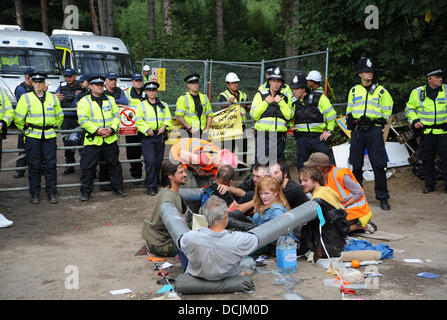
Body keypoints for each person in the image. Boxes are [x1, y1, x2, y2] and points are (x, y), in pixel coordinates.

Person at [346, 57, 393, 210]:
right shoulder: (354, 90)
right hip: (358, 131)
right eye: (366, 71)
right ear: (360, 74)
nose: (369, 74)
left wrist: (380, 121)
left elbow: (388, 109)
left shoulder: (381, 91)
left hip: (374, 131)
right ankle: (357, 195)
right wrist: (351, 120)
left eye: (371, 71)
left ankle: (382, 196)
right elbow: (349, 109)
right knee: (356, 165)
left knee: (378, 164)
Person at [179, 195, 259, 281]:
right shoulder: (239, 239)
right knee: (248, 261)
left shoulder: (190, 237)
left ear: (205, 217)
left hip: (199, 277)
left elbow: (181, 243)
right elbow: (256, 239)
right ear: (226, 215)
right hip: (228, 277)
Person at [13, 72, 64, 204]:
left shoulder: (52, 98)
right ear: (32, 83)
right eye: (35, 82)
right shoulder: (26, 98)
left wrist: (55, 128)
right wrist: (25, 130)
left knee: (50, 165)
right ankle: (34, 193)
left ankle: (52, 193)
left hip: (49, 136)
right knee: (34, 166)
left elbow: (59, 115)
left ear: (44, 83)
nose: (38, 84)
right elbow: (18, 117)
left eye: (40, 82)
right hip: (33, 137)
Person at [76, 74, 127, 201]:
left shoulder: (110, 99)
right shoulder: (84, 101)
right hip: (93, 140)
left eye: (101, 85)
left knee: (114, 165)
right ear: (91, 86)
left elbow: (117, 116)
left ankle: (118, 188)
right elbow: (83, 120)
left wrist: (112, 129)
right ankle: (86, 192)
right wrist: (97, 130)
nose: (99, 87)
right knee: (88, 167)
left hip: (110, 138)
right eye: (97, 85)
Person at [304, 152, 377, 234]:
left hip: (355, 210)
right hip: (339, 209)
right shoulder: (319, 176)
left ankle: (361, 225)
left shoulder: (340, 174)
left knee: (335, 231)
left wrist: (344, 206)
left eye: (311, 167)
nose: (309, 169)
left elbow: (359, 193)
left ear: (319, 167)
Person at [405, 67, 447, 194]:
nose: (441, 79)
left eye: (441, 77)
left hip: (444, 132)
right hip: (426, 133)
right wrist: (415, 120)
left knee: (446, 160)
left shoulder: (446, 90)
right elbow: (409, 109)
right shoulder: (417, 92)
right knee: (427, 160)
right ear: (430, 79)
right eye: (437, 77)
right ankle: (429, 184)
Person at [142, 161, 189, 267]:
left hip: (157, 238)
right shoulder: (167, 198)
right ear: (171, 176)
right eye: (181, 172)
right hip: (160, 243)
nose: (185, 174)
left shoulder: (169, 190)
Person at [290, 74, 336, 170]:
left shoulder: (319, 97)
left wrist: (329, 131)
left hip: (317, 137)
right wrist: (291, 126)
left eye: (296, 89)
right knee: (301, 166)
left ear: (304, 88)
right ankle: (304, 184)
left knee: (327, 162)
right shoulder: (293, 101)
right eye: (293, 89)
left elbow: (331, 114)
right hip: (302, 138)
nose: (294, 91)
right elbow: (288, 115)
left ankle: (331, 183)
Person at [135, 81, 172, 196]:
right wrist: (146, 129)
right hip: (148, 138)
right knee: (150, 161)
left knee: (157, 162)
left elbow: (168, 118)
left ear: (156, 92)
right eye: (149, 90)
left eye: (154, 90)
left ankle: (155, 183)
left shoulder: (163, 105)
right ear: (146, 92)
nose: (151, 92)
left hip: (159, 137)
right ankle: (150, 186)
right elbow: (138, 120)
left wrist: (164, 126)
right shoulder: (141, 106)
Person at [250, 66, 293, 165]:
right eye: (273, 80)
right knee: (261, 164)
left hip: (279, 136)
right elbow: (254, 115)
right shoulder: (259, 95)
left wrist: (281, 102)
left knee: (278, 165)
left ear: (282, 83)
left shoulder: (286, 98)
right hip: (263, 135)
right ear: (269, 81)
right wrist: (265, 102)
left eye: (278, 81)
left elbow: (289, 115)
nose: (276, 84)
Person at [169, 137, 238, 188]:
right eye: (226, 168)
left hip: (193, 157)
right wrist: (197, 169)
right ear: (221, 162)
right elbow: (181, 154)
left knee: (205, 186)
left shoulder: (220, 159)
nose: (226, 171)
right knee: (187, 184)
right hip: (177, 151)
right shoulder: (206, 159)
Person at [218, 72, 249, 167]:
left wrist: (247, 106)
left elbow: (248, 107)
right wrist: (228, 103)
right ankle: (226, 168)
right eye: (232, 83)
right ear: (228, 84)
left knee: (243, 147)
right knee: (229, 148)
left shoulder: (243, 95)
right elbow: (222, 106)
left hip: (241, 125)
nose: (235, 84)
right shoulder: (224, 95)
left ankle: (242, 168)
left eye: (236, 82)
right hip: (230, 126)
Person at [55, 68, 82, 175]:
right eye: (66, 76)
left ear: (75, 76)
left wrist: (81, 93)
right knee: (67, 142)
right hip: (65, 119)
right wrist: (55, 97)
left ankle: (85, 166)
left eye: (70, 76)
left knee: (80, 141)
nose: (67, 78)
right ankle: (69, 166)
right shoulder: (61, 86)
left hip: (77, 118)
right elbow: (52, 99)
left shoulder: (80, 85)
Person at [175, 73, 213, 139]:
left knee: (204, 149)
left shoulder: (204, 97)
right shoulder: (183, 99)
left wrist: (207, 128)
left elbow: (209, 114)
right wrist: (190, 128)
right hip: (188, 133)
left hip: (203, 132)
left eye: (196, 82)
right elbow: (179, 117)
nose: (195, 85)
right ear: (188, 85)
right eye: (192, 83)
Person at [124, 72, 146, 183]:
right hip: (131, 128)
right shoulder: (126, 93)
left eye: (140, 80)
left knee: (146, 151)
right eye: (136, 81)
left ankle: (147, 175)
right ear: (132, 82)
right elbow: (117, 104)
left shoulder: (148, 91)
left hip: (145, 127)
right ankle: (136, 175)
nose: (138, 82)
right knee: (133, 152)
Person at [13, 67, 35, 178]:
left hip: (34, 123)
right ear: (27, 76)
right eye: (33, 76)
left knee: (35, 149)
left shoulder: (33, 87)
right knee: (23, 148)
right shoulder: (21, 88)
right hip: (25, 123)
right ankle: (20, 170)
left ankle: (36, 169)